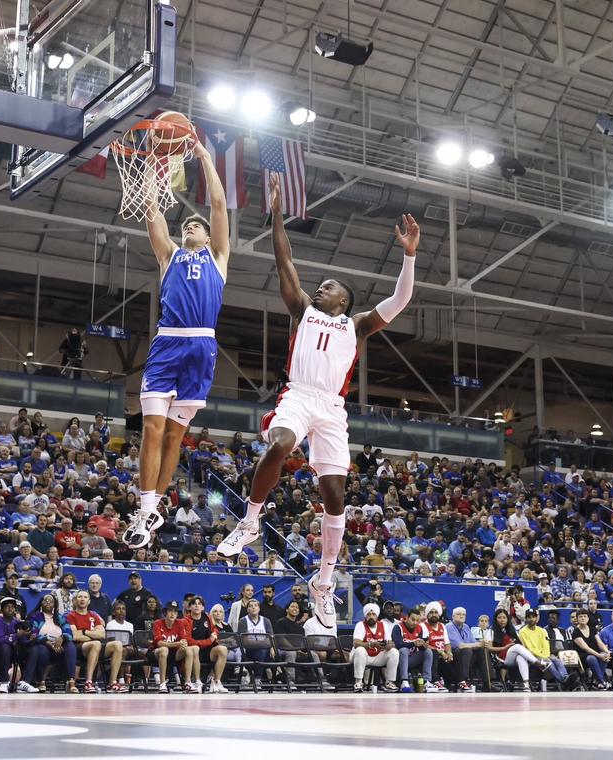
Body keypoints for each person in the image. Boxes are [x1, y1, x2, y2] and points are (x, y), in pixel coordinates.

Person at [218, 173, 420, 629]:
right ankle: (250, 521)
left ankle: (323, 582)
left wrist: (409, 256)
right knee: (280, 444)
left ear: (344, 301)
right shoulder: (302, 311)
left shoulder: (359, 325)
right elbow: (283, 259)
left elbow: (401, 298)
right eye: (320, 285)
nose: (320, 288)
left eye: (329, 286)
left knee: (334, 496)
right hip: (298, 395)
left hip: (332, 409)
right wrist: (275, 213)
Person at [123, 139, 231, 550]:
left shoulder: (218, 256)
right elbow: (152, 211)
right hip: (167, 344)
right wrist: (152, 168)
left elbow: (219, 206)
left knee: (174, 437)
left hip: (201, 348)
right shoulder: (168, 255)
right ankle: (147, 507)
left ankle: (154, 503)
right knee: (151, 428)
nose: (191, 226)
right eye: (186, 224)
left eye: (196, 225)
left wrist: (204, 158)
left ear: (206, 235)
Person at [151, 600, 199, 693]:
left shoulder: (179, 623)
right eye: (170, 611)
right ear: (165, 613)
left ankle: (187, 683)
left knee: (188, 649)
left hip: (174, 653)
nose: (172, 614)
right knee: (164, 649)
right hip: (157, 652)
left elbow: (183, 639)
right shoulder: (158, 623)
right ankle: (162, 683)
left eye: (175, 611)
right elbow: (159, 643)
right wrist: (176, 644)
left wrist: (183, 643)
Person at [351, 602, 399, 693]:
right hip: (364, 657)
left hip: (378, 656)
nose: (371, 616)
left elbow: (390, 642)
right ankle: (358, 682)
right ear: (365, 615)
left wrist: (388, 646)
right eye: (369, 614)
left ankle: (389, 682)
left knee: (394, 652)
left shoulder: (383, 624)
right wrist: (371, 644)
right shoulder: (360, 625)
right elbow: (356, 643)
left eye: (373, 614)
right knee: (360, 650)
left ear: (377, 616)